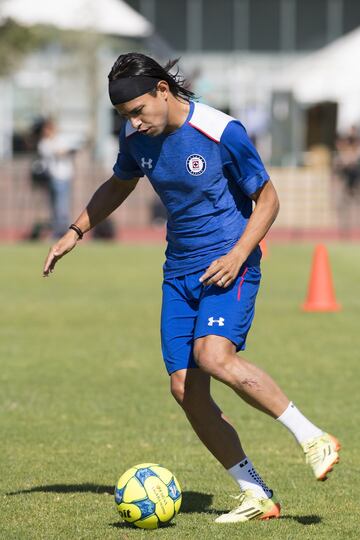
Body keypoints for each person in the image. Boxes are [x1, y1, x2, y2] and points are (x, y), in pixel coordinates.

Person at [43, 53, 340, 523]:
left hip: (229, 262)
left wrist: (239, 253)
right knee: (185, 388)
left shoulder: (222, 131)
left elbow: (269, 198)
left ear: (164, 90)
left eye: (138, 111)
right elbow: (119, 183)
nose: (134, 123)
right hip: (178, 270)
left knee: (213, 356)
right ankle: (255, 493)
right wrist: (75, 230)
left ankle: (312, 436)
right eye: (124, 117)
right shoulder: (136, 137)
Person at [37, 118, 76, 238]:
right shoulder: (44, 143)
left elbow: (67, 151)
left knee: (62, 206)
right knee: (54, 206)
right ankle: (58, 230)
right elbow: (57, 152)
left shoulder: (61, 139)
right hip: (51, 178)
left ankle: (64, 231)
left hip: (63, 177)